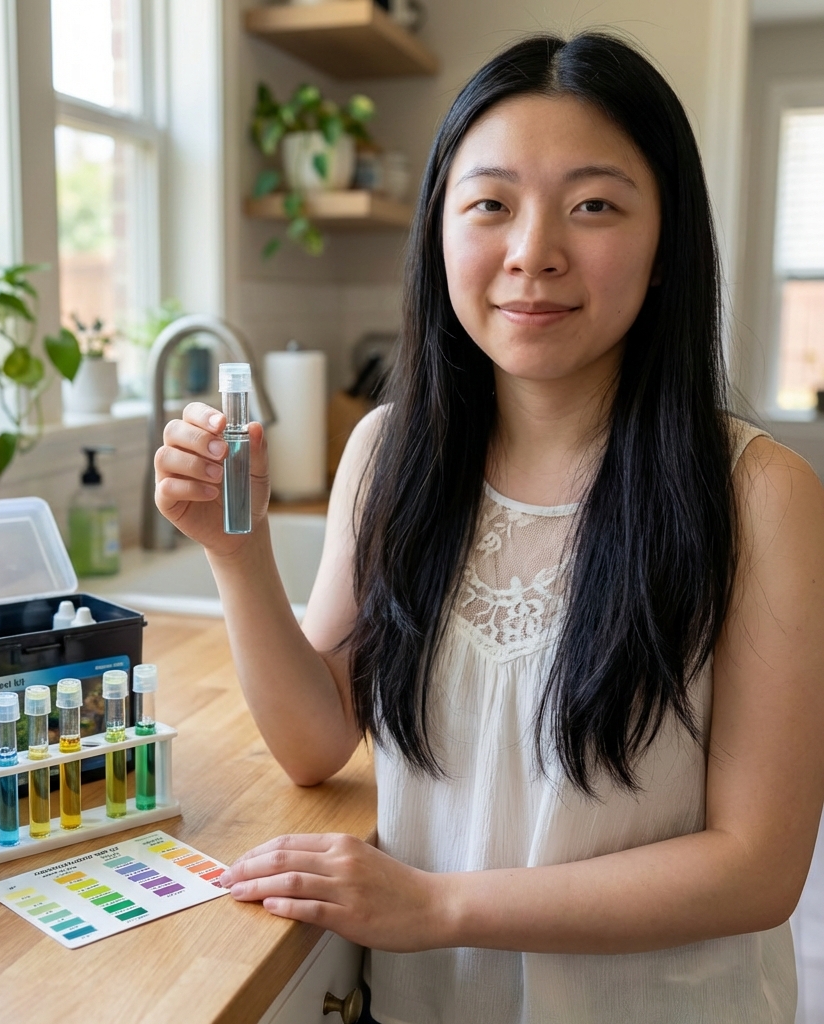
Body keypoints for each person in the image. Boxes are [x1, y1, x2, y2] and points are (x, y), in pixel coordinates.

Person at [153, 32, 824, 1024]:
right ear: (438, 230)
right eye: (490, 203)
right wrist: (235, 551)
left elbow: (755, 869)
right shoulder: (389, 455)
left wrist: (438, 903)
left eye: (593, 204)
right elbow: (313, 739)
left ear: (664, 238)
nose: (532, 251)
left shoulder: (759, 494)